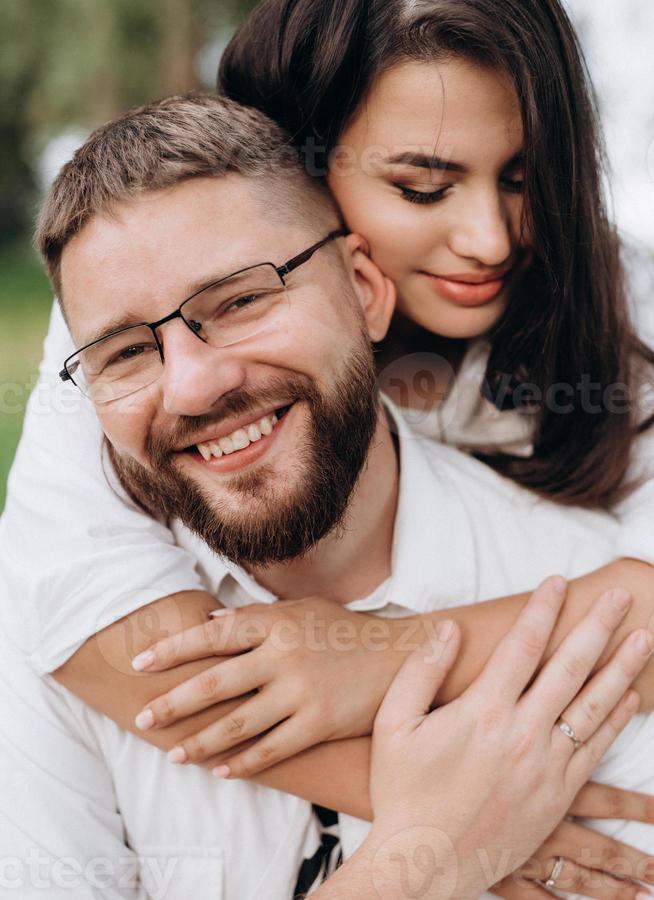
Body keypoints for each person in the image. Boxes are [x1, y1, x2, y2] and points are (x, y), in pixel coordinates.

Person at [3, 93, 654, 900]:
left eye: (241, 300)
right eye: (126, 351)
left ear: (365, 288)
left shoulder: (586, 623)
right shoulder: (48, 642)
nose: (194, 386)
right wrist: (421, 861)